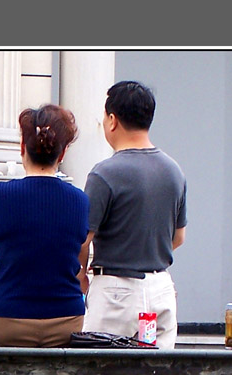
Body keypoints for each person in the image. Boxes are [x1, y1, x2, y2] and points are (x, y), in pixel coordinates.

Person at [80, 81, 188, 349]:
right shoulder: (174, 171)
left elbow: (82, 238)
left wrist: (81, 274)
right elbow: (179, 237)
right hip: (160, 288)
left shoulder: (104, 173)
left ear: (112, 120)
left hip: (115, 292)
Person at [0, 105, 88, 347]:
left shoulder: (0, 195)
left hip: (6, 316)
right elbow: (73, 254)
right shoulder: (80, 201)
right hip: (66, 318)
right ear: (63, 153)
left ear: (23, 147)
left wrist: (2, 255)